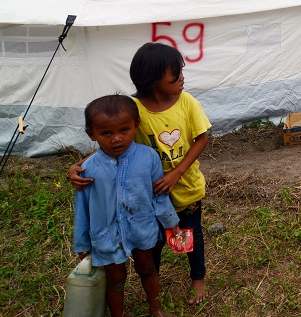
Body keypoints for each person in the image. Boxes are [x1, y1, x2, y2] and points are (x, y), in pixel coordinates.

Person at [71, 42, 212, 305]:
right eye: (176, 74)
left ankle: (197, 277)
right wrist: (80, 165)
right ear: (155, 79)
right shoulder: (133, 109)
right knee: (153, 241)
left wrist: (177, 173)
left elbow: (202, 138)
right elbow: (114, 142)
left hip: (186, 188)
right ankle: (152, 282)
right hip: (148, 196)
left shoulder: (187, 102)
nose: (183, 78)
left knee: (191, 235)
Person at [74, 94, 181, 317]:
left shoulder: (149, 157)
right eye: (106, 133)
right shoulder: (88, 168)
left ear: (136, 126)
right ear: (91, 134)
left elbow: (159, 195)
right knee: (115, 279)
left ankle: (156, 307)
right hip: (106, 235)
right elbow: (82, 208)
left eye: (124, 130)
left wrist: (172, 223)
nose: (116, 139)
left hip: (141, 227)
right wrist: (82, 242)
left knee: (148, 267)